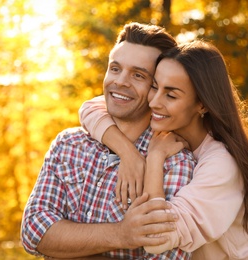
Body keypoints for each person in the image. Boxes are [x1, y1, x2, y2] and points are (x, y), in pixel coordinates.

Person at [79, 40, 248, 259]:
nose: (153, 102)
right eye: (155, 86)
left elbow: (156, 237)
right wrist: (128, 153)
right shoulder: (168, 127)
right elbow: (90, 108)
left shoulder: (221, 164)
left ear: (202, 105)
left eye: (170, 95)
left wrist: (154, 158)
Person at [21, 22, 197, 259]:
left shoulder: (174, 162)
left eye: (138, 75)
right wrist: (121, 235)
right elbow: (34, 231)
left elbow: (166, 256)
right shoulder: (68, 145)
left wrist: (69, 243)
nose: (121, 81)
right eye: (115, 69)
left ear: (157, 88)